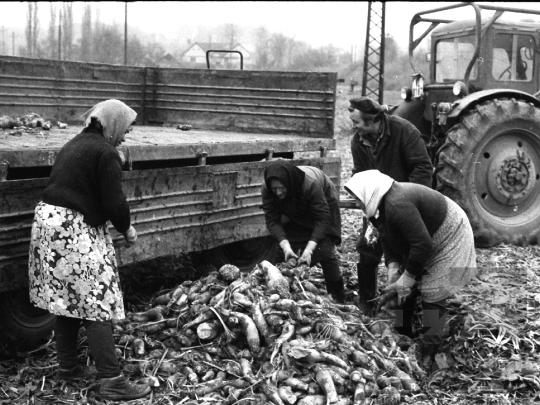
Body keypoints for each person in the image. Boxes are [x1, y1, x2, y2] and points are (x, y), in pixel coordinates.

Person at [27, 99, 152, 401]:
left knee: (67, 299)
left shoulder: (74, 144)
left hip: (48, 223)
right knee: (97, 303)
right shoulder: (106, 153)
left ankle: (68, 369)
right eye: (126, 129)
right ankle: (112, 381)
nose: (125, 136)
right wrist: (127, 228)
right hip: (72, 228)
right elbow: (114, 202)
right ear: (113, 124)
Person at [344, 170, 476, 370]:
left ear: (367, 192)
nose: (356, 203)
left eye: (357, 197)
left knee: (433, 291)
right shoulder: (378, 207)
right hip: (426, 237)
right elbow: (388, 240)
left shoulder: (397, 204)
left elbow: (423, 245)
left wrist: (407, 278)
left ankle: (428, 351)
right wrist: (393, 273)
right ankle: (403, 332)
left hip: (449, 233)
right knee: (402, 288)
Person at [348, 96, 433, 315]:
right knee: (368, 247)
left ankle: (409, 321)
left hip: (404, 204)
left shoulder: (404, 131)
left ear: (372, 121)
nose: (354, 127)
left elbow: (422, 168)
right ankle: (368, 305)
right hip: (379, 205)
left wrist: (406, 201)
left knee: (415, 264)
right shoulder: (358, 141)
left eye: (357, 122)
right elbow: (360, 174)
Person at [261, 160, 345, 302]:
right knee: (281, 254)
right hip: (294, 202)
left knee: (325, 250)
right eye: (275, 189)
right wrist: (286, 246)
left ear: (288, 183)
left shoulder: (310, 184)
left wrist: (309, 250)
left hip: (323, 202)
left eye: (281, 188)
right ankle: (276, 292)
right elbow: (272, 220)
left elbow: (322, 219)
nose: (278, 192)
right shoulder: (268, 188)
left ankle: (337, 296)